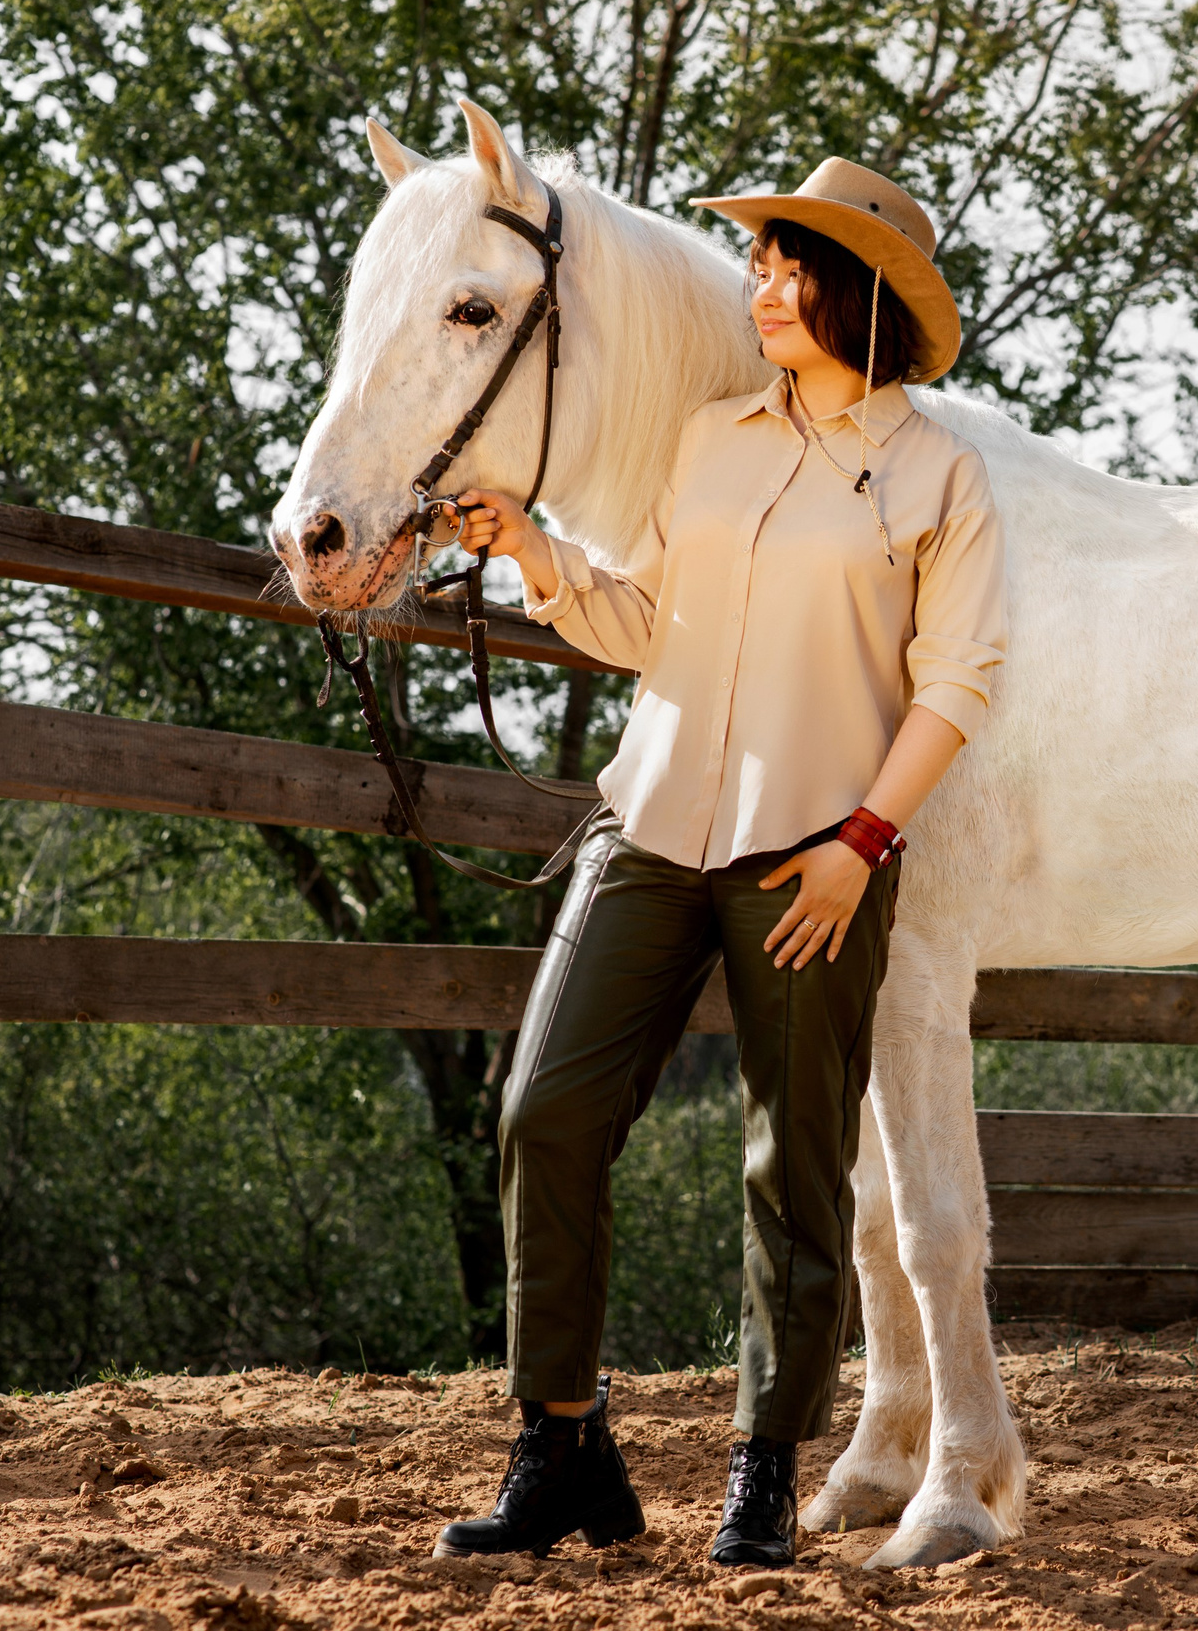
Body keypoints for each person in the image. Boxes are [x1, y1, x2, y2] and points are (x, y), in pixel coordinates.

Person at [431, 159, 1006, 1568]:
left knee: (792, 1165)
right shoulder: (712, 441)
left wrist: (861, 845)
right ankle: (561, 1442)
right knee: (541, 1111)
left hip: (808, 857)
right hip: (652, 821)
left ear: (850, 286)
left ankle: (763, 1464)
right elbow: (653, 631)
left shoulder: (938, 471)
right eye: (753, 263)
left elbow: (962, 680)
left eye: (781, 265)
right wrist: (537, 553)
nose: (756, 284)